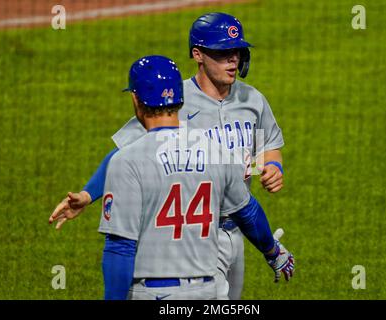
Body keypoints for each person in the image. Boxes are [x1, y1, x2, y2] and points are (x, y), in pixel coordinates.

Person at [49, 12, 289, 299]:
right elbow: (124, 153)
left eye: (236, 52)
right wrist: (88, 195)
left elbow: (263, 144)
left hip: (240, 229)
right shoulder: (172, 98)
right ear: (198, 55)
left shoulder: (252, 100)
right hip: (198, 232)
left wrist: (271, 166)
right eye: (223, 52)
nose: (233, 60)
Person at [95, 55, 293, 300]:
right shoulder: (218, 153)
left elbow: (120, 248)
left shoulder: (127, 160)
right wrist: (272, 251)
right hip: (205, 289)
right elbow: (249, 212)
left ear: (136, 98)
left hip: (153, 292)